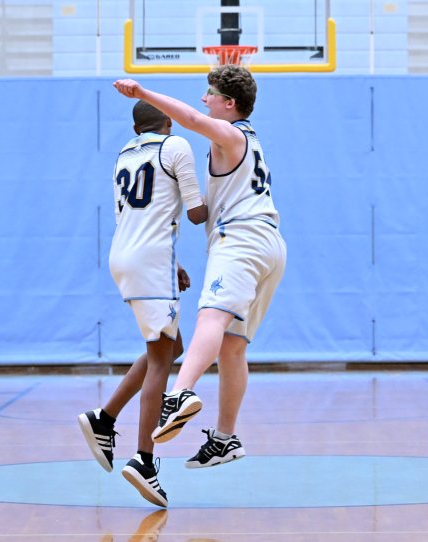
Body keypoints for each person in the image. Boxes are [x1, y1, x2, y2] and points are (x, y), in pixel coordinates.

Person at [113, 64, 287, 468]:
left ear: (229, 103)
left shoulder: (230, 134)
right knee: (232, 345)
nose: (203, 100)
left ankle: (181, 392)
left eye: (210, 94)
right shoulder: (251, 142)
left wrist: (142, 92)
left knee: (209, 317)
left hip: (240, 239)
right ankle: (226, 438)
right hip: (270, 245)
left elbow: (189, 120)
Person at [78, 100, 207, 507]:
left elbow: (139, 216)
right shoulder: (176, 146)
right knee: (160, 358)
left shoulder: (124, 154)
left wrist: (175, 263)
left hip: (128, 255)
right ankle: (144, 460)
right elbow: (197, 213)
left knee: (172, 348)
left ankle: (105, 417)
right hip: (150, 260)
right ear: (167, 120)